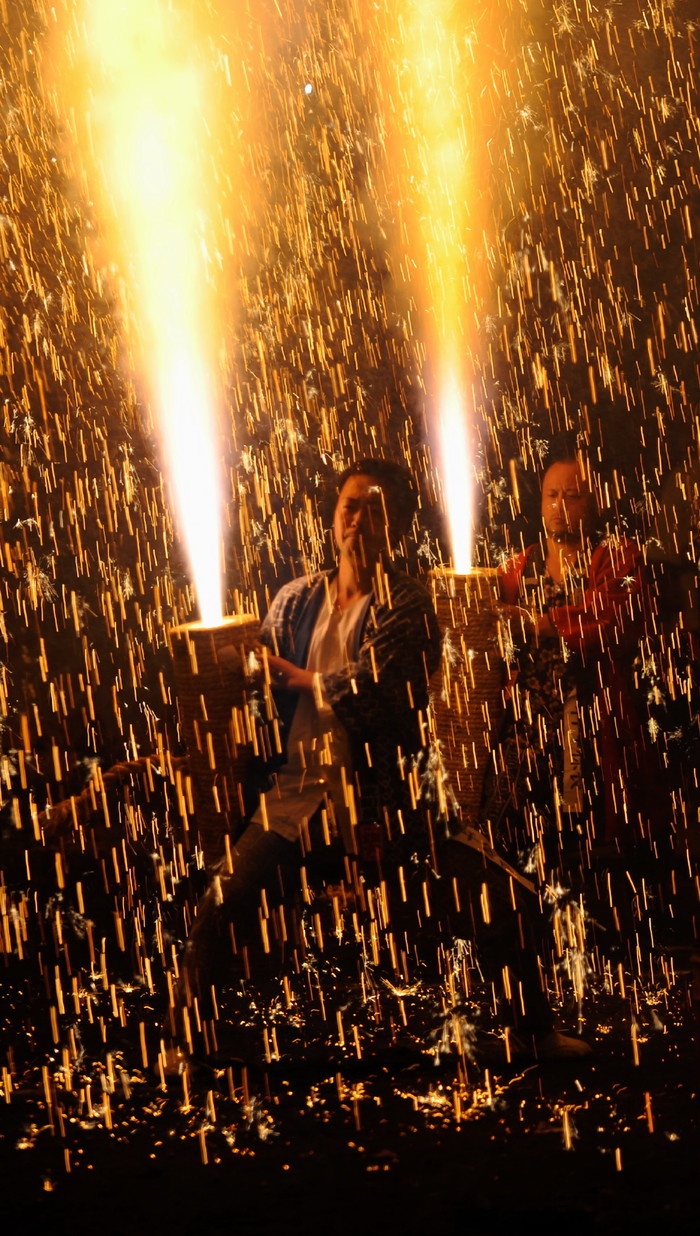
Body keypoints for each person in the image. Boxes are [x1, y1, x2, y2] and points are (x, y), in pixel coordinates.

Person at [168, 457, 589, 1068]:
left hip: (387, 801)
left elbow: (378, 692)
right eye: (349, 505)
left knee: (503, 899)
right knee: (221, 898)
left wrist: (291, 676)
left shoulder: (409, 603)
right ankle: (189, 1041)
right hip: (296, 796)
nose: (358, 518)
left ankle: (531, 1031)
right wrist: (229, 680)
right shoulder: (295, 600)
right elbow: (255, 686)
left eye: (374, 508)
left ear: (396, 526)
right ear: (334, 515)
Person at [484, 438, 661, 880]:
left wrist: (543, 623)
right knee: (520, 830)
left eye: (572, 495)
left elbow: (614, 615)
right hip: (526, 722)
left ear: (594, 501)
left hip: (590, 713)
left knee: (590, 836)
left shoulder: (617, 555)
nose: (560, 505)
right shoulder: (516, 568)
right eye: (551, 495)